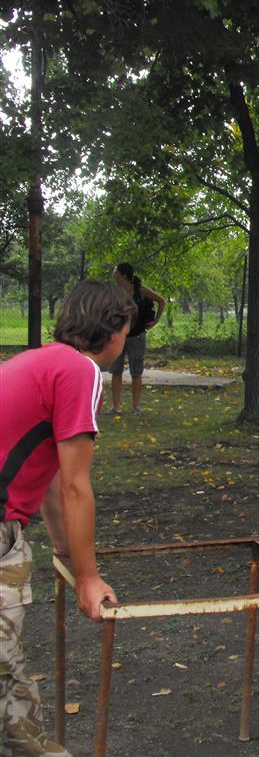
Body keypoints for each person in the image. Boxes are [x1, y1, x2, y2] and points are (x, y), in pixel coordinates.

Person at [0, 280, 135, 757]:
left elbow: (53, 477)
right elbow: (76, 485)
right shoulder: (81, 371)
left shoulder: (38, 362)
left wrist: (64, 550)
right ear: (113, 332)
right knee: (4, 675)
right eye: (126, 332)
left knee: (9, 678)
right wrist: (88, 578)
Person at [109, 263, 165, 414]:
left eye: (116, 273)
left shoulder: (140, 290)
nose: (113, 275)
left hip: (137, 336)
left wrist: (155, 321)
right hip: (118, 336)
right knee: (116, 371)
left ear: (124, 275)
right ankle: (116, 406)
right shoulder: (115, 292)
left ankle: (135, 407)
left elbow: (161, 301)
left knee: (136, 372)